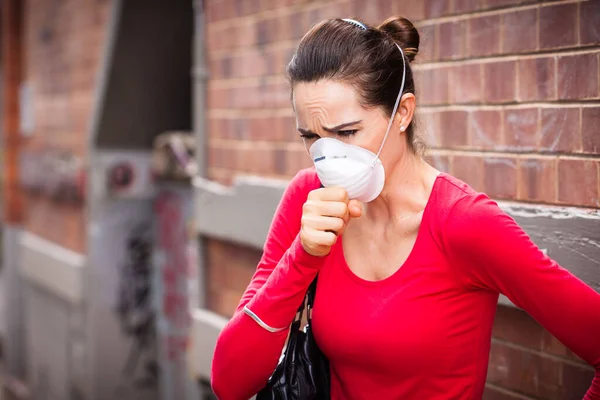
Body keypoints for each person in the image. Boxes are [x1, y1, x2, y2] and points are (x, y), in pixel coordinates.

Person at [211, 16, 600, 400]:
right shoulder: (307, 196)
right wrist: (303, 256)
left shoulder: (464, 223)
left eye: (347, 132)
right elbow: (229, 383)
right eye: (310, 136)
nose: (326, 155)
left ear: (403, 113)